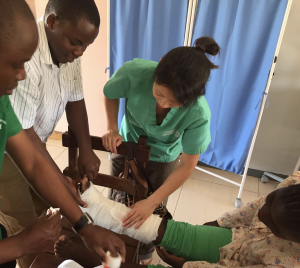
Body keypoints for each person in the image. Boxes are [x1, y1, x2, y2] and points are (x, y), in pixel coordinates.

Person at [0, 0, 125, 267]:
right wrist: (20, 243)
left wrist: (84, 227)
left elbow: (33, 162)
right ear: (52, 23)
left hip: (30, 147)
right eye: (16, 64)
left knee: (35, 213)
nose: (22, 75)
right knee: (19, 222)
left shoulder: (2, 103)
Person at [102, 37, 220, 263]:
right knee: (117, 195)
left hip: (163, 157)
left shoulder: (198, 113)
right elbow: (110, 94)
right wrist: (111, 128)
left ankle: (143, 256)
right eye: (159, 93)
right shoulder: (135, 72)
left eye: (174, 103)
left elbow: (187, 165)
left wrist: (152, 202)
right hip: (126, 143)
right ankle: (111, 240)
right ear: (159, 65)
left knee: (149, 213)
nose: (163, 104)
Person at [54, 172, 300, 268]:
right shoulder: (296, 183)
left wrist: (184, 266)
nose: (263, 215)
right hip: (241, 238)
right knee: (169, 231)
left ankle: (90, 259)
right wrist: (221, 223)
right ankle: (95, 205)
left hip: (252, 261)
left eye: (273, 224)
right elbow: (255, 208)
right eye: (270, 201)